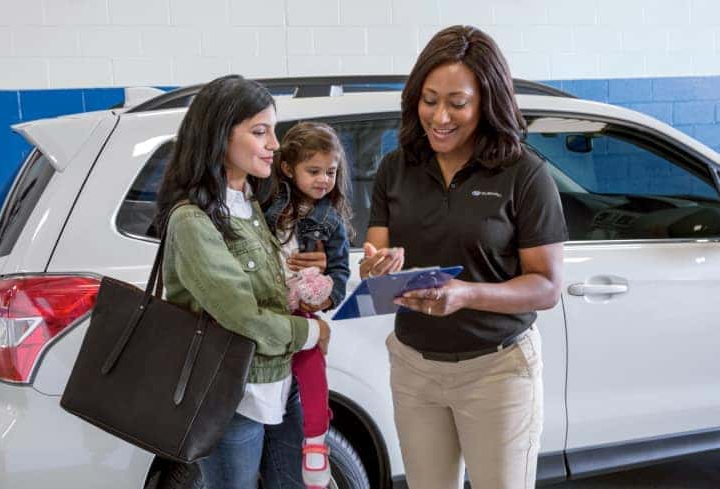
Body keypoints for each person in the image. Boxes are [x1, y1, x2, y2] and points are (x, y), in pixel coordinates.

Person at [360, 25, 567, 489]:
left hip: (497, 370)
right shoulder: (397, 169)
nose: (440, 116)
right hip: (414, 366)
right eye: (429, 99)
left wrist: (466, 294)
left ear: (487, 103)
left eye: (457, 103)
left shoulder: (524, 173)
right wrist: (375, 268)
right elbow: (375, 258)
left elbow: (547, 287)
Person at [154, 74, 331, 489]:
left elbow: (257, 289)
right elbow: (244, 317)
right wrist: (310, 331)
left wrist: (298, 281)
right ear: (218, 137)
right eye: (259, 131)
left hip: (276, 381)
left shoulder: (248, 202)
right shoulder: (192, 221)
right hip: (231, 397)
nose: (274, 144)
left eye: (273, 130)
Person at [264, 121, 352, 488]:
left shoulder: (331, 220)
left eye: (331, 172)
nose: (323, 180)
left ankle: (315, 442)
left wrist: (323, 291)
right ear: (287, 168)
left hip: (299, 309)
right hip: (266, 306)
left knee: (313, 369)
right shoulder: (265, 201)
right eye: (313, 171)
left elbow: (341, 275)